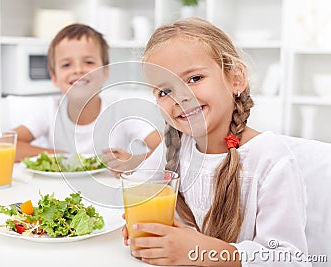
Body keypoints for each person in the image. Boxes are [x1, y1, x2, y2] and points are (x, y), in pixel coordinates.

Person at [122, 18, 310, 266]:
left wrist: (198, 251)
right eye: (164, 91)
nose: (181, 97)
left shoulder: (270, 158)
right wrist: (143, 227)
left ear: (236, 79)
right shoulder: (177, 145)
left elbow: (291, 259)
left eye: (195, 78)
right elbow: (139, 187)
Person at [13, 24, 161, 176]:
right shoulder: (50, 109)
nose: (78, 70)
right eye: (66, 64)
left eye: (89, 62)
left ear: (105, 71)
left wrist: (135, 161)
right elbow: (6, 144)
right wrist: (61, 157)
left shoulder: (120, 110)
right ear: (54, 77)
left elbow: (167, 149)